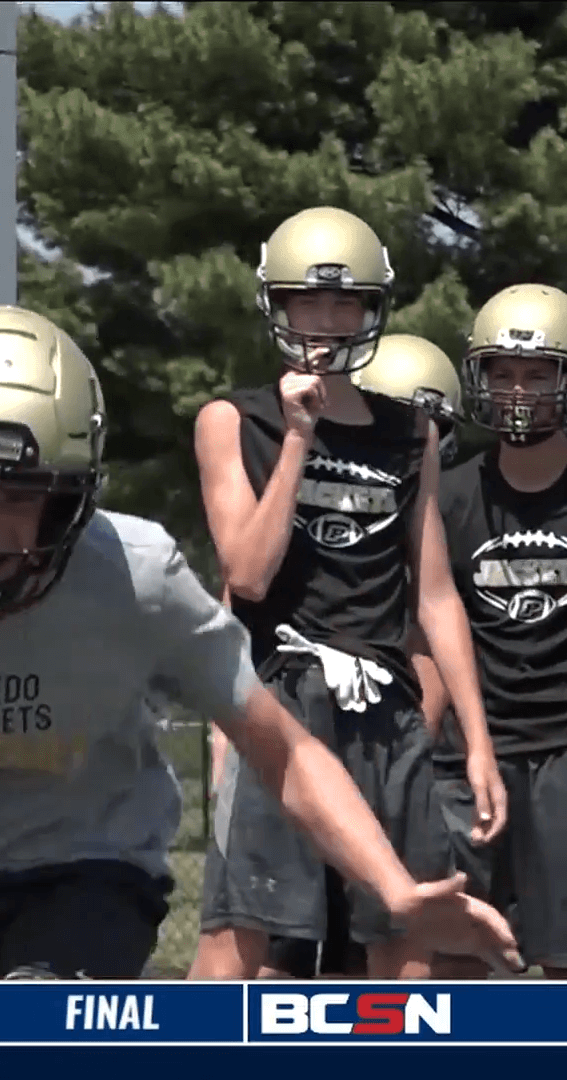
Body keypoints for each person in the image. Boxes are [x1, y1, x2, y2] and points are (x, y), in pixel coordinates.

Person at [0, 304, 520, 981]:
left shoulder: (134, 576)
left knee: (37, 1026)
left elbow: (284, 748)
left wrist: (394, 890)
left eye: (21, 498)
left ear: (72, 497)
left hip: (83, 878)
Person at [188, 206, 508, 981]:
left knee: (406, 942)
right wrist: (300, 437)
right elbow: (249, 575)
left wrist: (477, 743)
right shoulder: (233, 420)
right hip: (280, 701)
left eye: (345, 304)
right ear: (277, 305)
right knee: (248, 943)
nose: (326, 322)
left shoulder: (411, 433)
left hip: (387, 713)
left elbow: (433, 595)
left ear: (373, 311)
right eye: (308, 302)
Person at [214, 332, 462, 979]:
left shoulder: (422, 475)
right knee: (272, 946)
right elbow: (239, 592)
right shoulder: (265, 438)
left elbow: (430, 625)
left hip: (378, 732)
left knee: (381, 950)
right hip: (292, 709)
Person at [429, 283, 567, 980]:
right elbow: (426, 640)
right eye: (502, 373)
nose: (518, 391)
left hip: (563, 754)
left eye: (538, 374)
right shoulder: (451, 494)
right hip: (470, 756)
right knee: (452, 957)